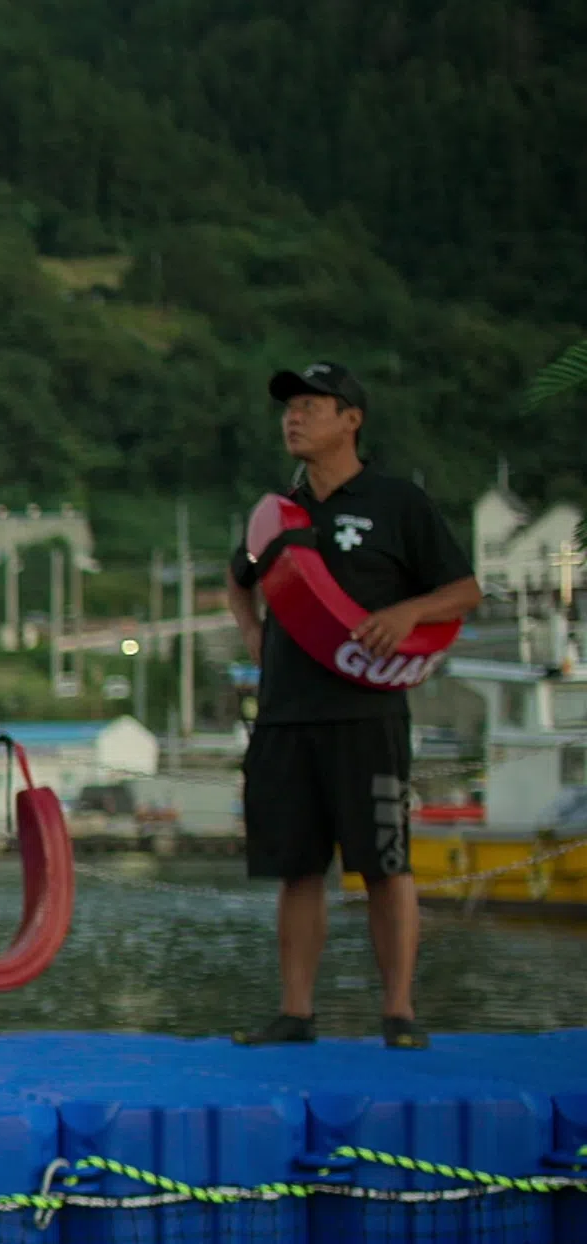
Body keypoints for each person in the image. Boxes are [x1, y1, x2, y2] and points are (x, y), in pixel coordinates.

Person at [226, 363, 481, 1050]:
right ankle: (296, 1012)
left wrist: (407, 613)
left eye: (311, 405)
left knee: (385, 863)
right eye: (289, 408)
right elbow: (237, 576)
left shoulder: (399, 503)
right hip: (285, 715)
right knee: (297, 866)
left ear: (352, 419)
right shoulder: (278, 511)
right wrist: (253, 633)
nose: (294, 417)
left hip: (367, 713)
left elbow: (464, 591)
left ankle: (399, 1011)